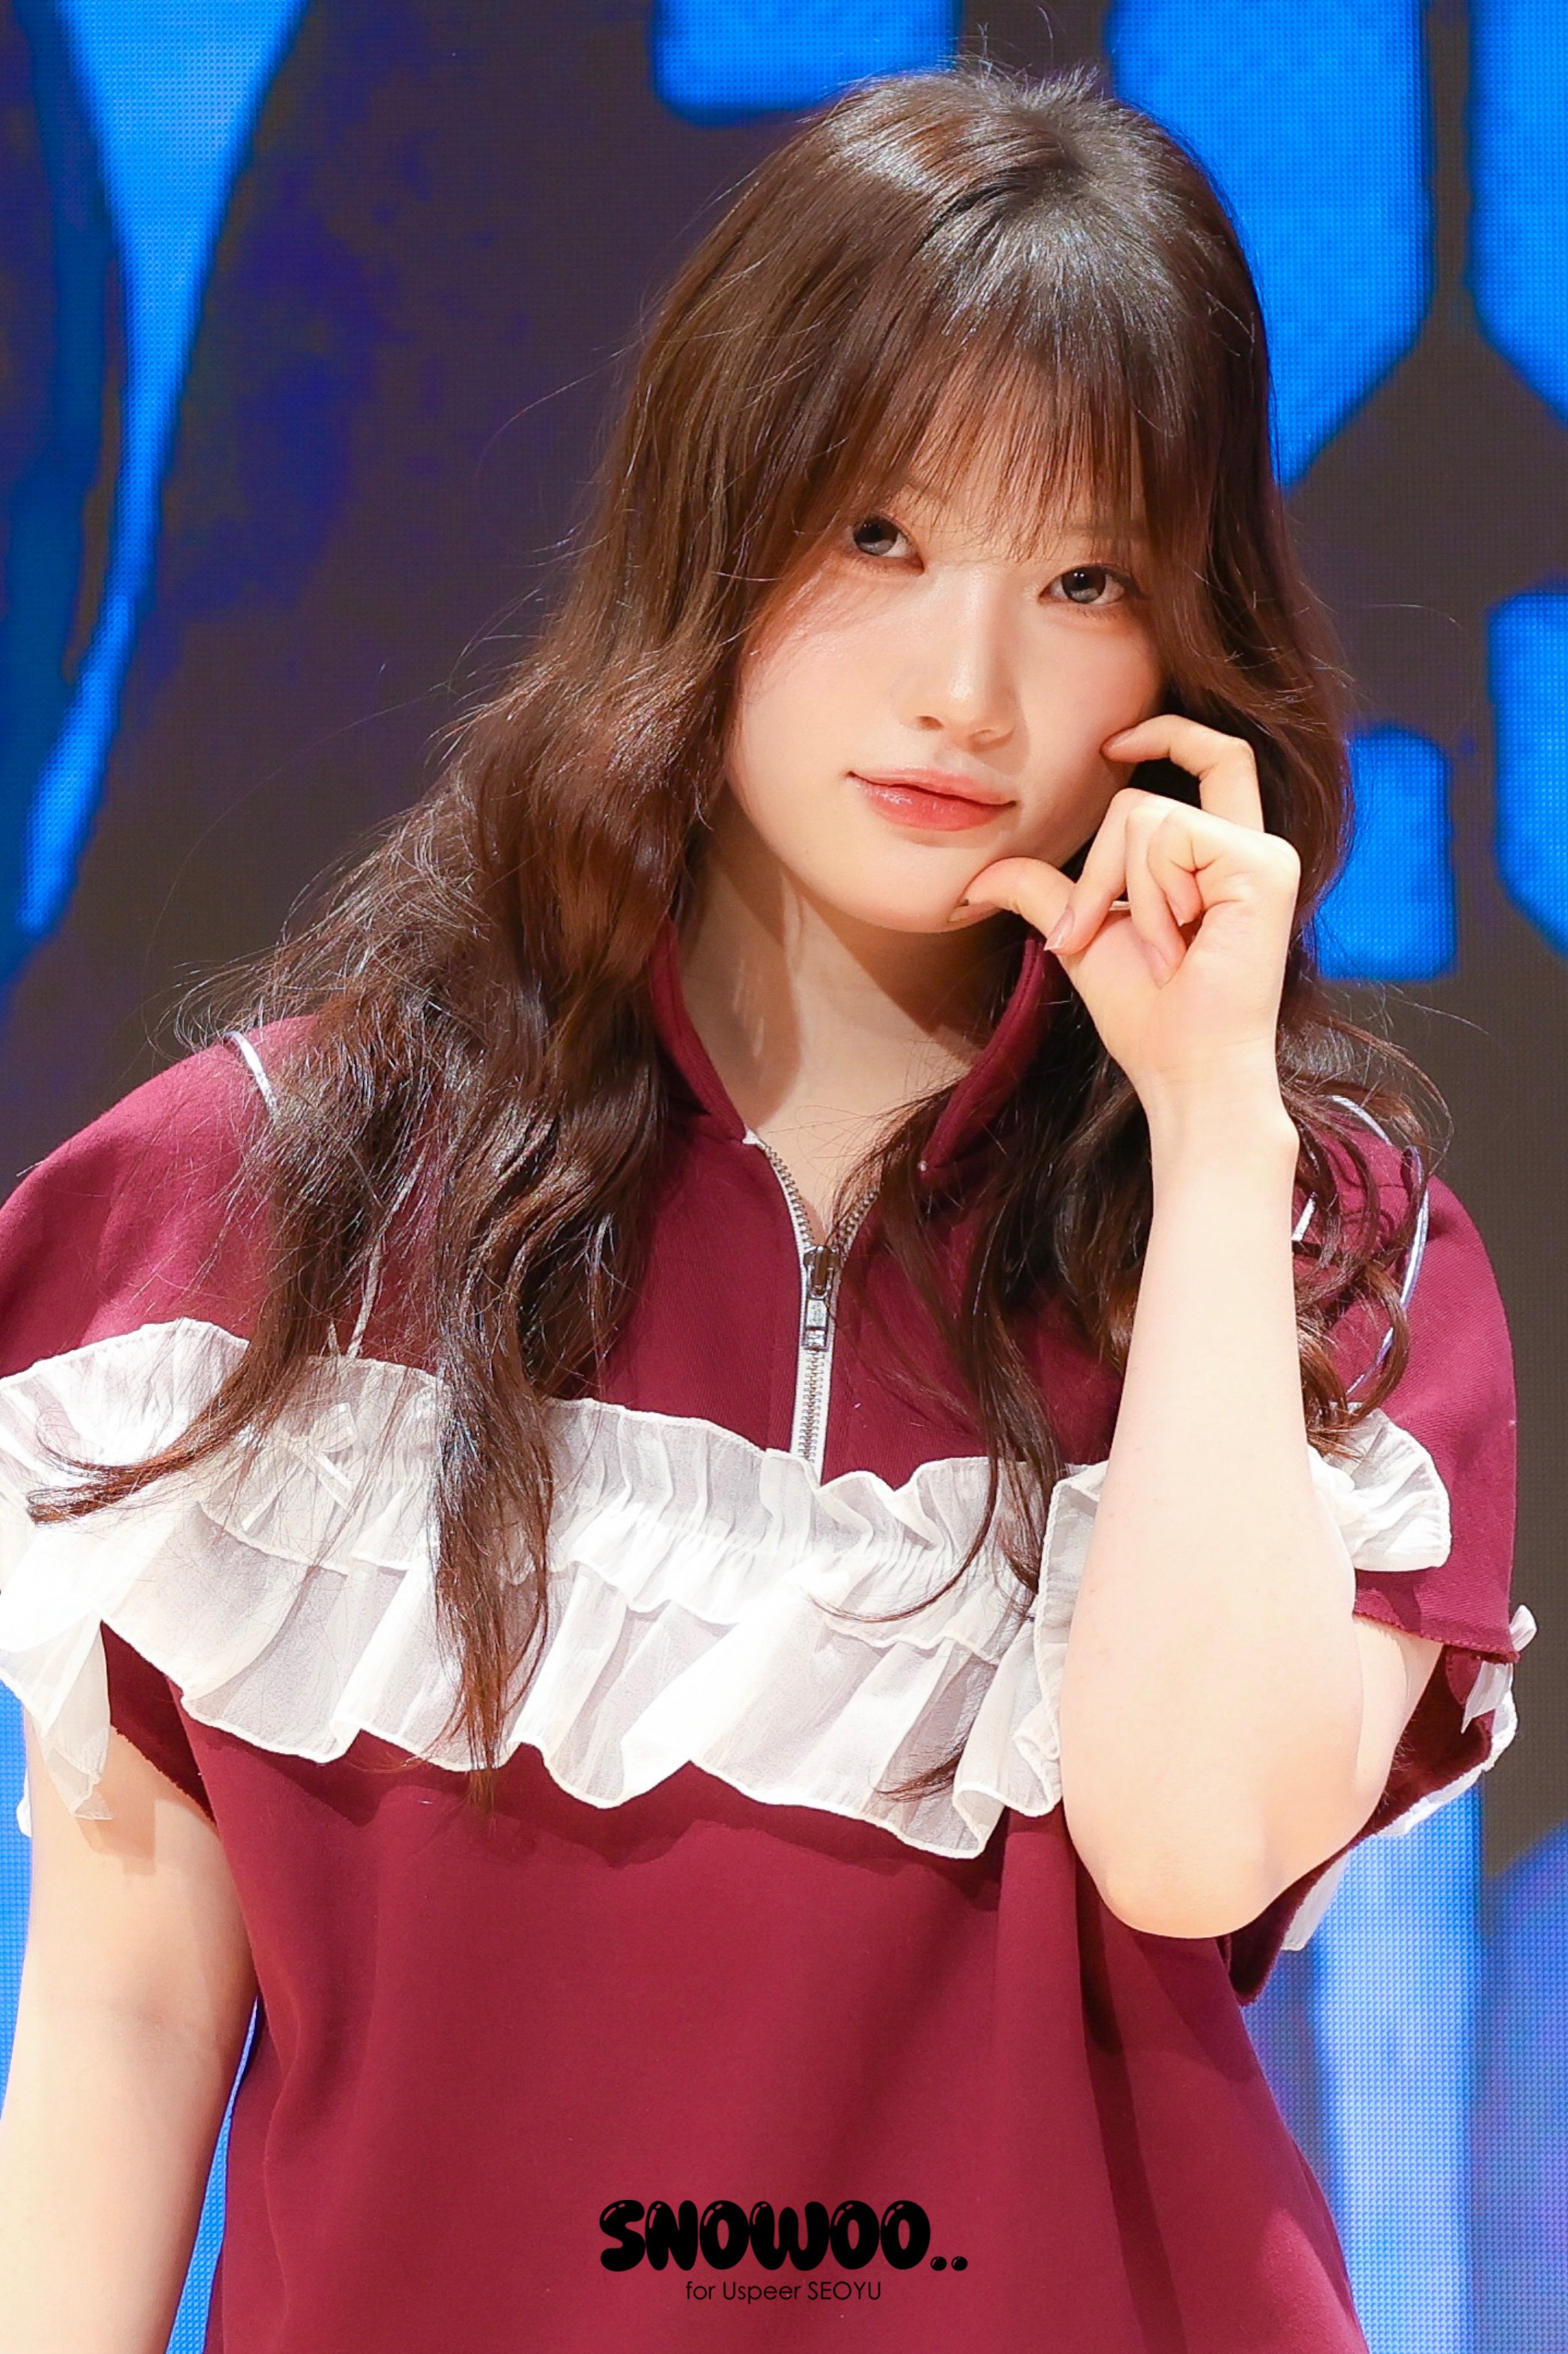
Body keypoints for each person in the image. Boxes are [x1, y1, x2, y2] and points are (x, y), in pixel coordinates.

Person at [0, 60, 1532, 2354]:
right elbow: (127, 2005)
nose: (964, 686)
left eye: (1081, 580)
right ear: (709, 522)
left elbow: (1194, 1845)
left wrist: (1212, 1131)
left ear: (1178, 653)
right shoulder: (260, 1198)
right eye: (878, 535)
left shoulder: (1316, 1256)